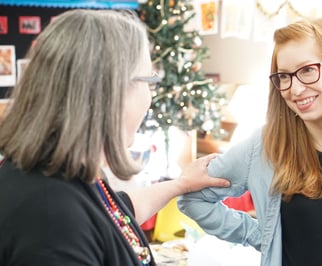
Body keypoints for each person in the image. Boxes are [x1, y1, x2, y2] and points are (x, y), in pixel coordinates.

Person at [0, 9, 230, 266]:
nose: (150, 97)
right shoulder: (53, 219)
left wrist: (181, 184)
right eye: (149, 81)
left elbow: (116, 212)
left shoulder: (57, 171)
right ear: (112, 91)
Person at [178, 17, 322, 266]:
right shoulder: (263, 147)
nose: (294, 89)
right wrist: (261, 235)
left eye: (307, 70)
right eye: (284, 76)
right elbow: (193, 199)